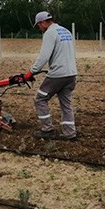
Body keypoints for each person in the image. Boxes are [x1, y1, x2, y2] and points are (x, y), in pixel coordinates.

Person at [23, 11, 78, 141]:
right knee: (66, 103)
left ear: (43, 22)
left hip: (58, 74)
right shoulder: (65, 31)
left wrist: (31, 72)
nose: (39, 28)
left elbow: (44, 56)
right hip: (71, 73)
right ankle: (70, 133)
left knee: (40, 99)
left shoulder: (49, 33)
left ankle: (47, 130)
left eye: (39, 25)